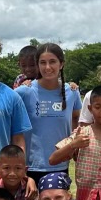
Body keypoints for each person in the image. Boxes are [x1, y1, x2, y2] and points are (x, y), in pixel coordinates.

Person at [15, 42, 81, 185]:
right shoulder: (24, 92)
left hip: (60, 165)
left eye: (52, 62)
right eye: (42, 63)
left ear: (61, 64)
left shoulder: (72, 92)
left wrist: (73, 146)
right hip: (30, 166)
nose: (48, 67)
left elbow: (77, 119)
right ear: (38, 65)